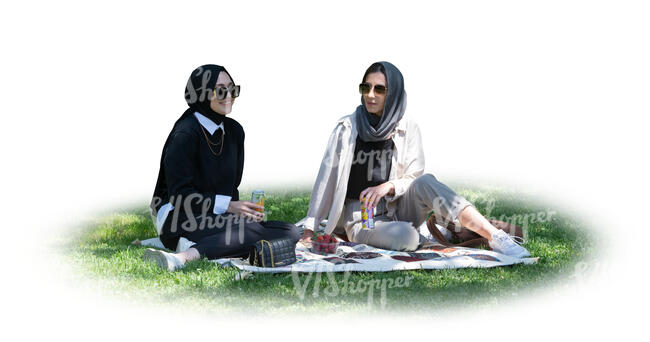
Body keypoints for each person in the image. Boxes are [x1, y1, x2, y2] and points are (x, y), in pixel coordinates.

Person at [301, 61, 530, 258]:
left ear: (393, 93)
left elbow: (414, 177)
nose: (370, 95)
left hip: (399, 206)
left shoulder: (408, 127)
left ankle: (495, 237)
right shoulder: (346, 129)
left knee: (426, 181)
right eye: (366, 87)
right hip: (362, 218)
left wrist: (388, 187)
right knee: (408, 237)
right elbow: (326, 181)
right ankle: (434, 231)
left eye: (379, 89)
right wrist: (309, 231)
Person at [145, 64, 300, 271]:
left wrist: (241, 213)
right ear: (201, 93)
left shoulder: (235, 132)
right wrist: (230, 207)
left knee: (290, 231)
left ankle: (208, 244)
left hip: (214, 217)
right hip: (179, 216)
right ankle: (183, 257)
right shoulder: (185, 134)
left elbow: (230, 187)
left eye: (232, 89)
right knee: (250, 232)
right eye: (220, 90)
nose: (228, 96)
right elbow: (180, 196)